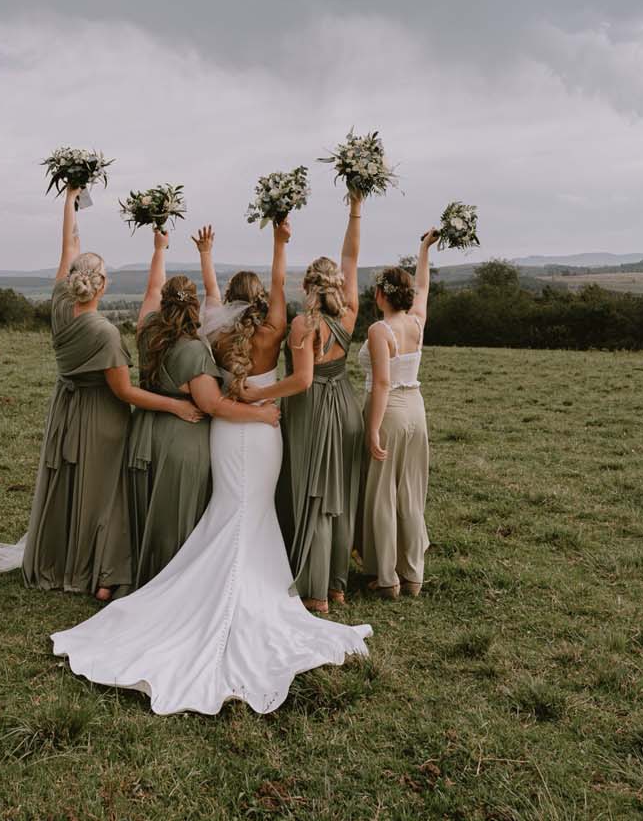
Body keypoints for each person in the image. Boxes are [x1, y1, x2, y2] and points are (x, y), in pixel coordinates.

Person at [50, 218, 372, 714]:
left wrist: (205, 257)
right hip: (262, 429)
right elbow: (277, 284)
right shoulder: (274, 329)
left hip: (225, 433)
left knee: (230, 505)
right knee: (255, 506)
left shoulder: (217, 337)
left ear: (225, 307)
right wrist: (279, 241)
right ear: (262, 299)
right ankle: (254, 585)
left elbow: (210, 297)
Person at [0, 186, 203, 600]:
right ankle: (98, 571)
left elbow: (68, 246)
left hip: (66, 408)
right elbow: (124, 393)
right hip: (102, 418)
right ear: (100, 286)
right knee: (104, 495)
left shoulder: (60, 307)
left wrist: (70, 199)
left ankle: (60, 556)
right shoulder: (104, 333)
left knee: (66, 484)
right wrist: (177, 405)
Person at [127, 229, 278, 586]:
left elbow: (151, 291)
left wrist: (159, 250)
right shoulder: (195, 350)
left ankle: (141, 576)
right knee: (175, 514)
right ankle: (171, 584)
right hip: (181, 437)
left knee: (146, 508)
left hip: (143, 431)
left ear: (163, 303)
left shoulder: (147, 329)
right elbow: (210, 404)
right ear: (193, 306)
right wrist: (260, 413)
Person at [241, 195, 364, 615]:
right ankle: (336, 586)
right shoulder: (349, 315)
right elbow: (351, 257)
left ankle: (314, 590)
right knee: (338, 494)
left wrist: (257, 394)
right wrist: (355, 209)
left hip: (312, 410)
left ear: (308, 286)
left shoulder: (303, 323)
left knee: (311, 491)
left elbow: (302, 379)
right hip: (347, 407)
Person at [359, 230, 436, 598]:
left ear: (380, 295)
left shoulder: (380, 330)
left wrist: (372, 429)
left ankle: (387, 578)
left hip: (389, 413)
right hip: (417, 413)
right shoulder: (417, 323)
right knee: (410, 491)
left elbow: (381, 385)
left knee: (382, 495)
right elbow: (423, 287)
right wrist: (423, 251)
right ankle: (414, 575)